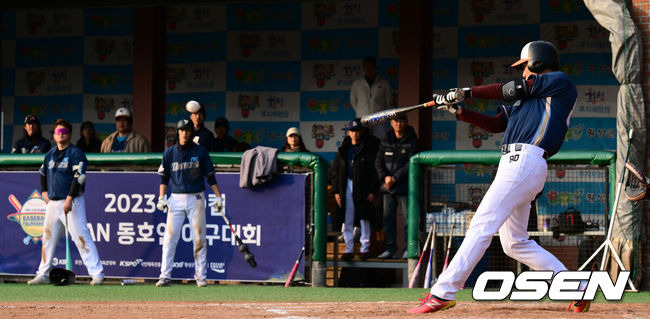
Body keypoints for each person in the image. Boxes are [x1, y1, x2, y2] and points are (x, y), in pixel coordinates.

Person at [407, 41, 588, 313]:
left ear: (537, 62)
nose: (523, 72)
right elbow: (496, 124)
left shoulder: (559, 82)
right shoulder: (525, 97)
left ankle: (443, 292)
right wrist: (459, 111)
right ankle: (576, 288)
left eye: (525, 65)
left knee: (481, 224)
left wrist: (465, 92)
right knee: (514, 243)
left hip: (526, 160)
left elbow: (512, 88)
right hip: (515, 164)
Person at [28, 119, 104, 286]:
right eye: (57, 132)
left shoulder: (76, 153)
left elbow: (80, 177)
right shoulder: (50, 154)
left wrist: (69, 198)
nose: (60, 135)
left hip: (72, 202)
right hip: (53, 204)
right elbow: (42, 173)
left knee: (81, 237)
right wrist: (44, 192)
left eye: (64, 132)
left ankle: (97, 274)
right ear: (54, 136)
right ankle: (43, 274)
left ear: (69, 134)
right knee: (48, 239)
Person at [155, 119, 223, 288]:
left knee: (199, 239)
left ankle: (200, 277)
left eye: (187, 130)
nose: (184, 133)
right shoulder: (169, 153)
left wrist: (218, 197)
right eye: (181, 130)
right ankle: (165, 276)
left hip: (196, 198)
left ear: (192, 132)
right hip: (176, 198)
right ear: (177, 132)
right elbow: (164, 177)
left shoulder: (200, 152)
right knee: (170, 238)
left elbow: (210, 177)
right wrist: (161, 197)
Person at [330, 118, 380, 261]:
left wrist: (372, 190)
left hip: (363, 187)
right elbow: (335, 171)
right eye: (352, 131)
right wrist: (335, 191)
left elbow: (374, 171)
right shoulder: (344, 149)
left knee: (364, 218)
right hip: (346, 185)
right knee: (347, 219)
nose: (355, 134)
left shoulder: (368, 147)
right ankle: (349, 249)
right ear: (348, 133)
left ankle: (365, 249)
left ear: (362, 132)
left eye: (357, 131)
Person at [375, 114, 420, 259]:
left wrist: (395, 177)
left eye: (401, 121)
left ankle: (409, 250)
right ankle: (390, 249)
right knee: (388, 219)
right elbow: (378, 162)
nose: (398, 124)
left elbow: (410, 163)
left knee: (409, 220)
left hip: (405, 188)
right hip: (388, 188)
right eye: (395, 121)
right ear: (391, 123)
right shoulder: (385, 140)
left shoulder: (412, 141)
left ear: (406, 122)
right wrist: (385, 177)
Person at [350, 56, 393, 139]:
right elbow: (353, 101)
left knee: (379, 142)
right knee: (363, 143)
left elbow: (389, 102)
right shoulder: (357, 84)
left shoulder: (384, 83)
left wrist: (382, 115)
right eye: (366, 66)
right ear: (363, 68)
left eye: (371, 66)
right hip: (362, 120)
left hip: (379, 120)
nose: (369, 69)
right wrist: (362, 112)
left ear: (376, 68)